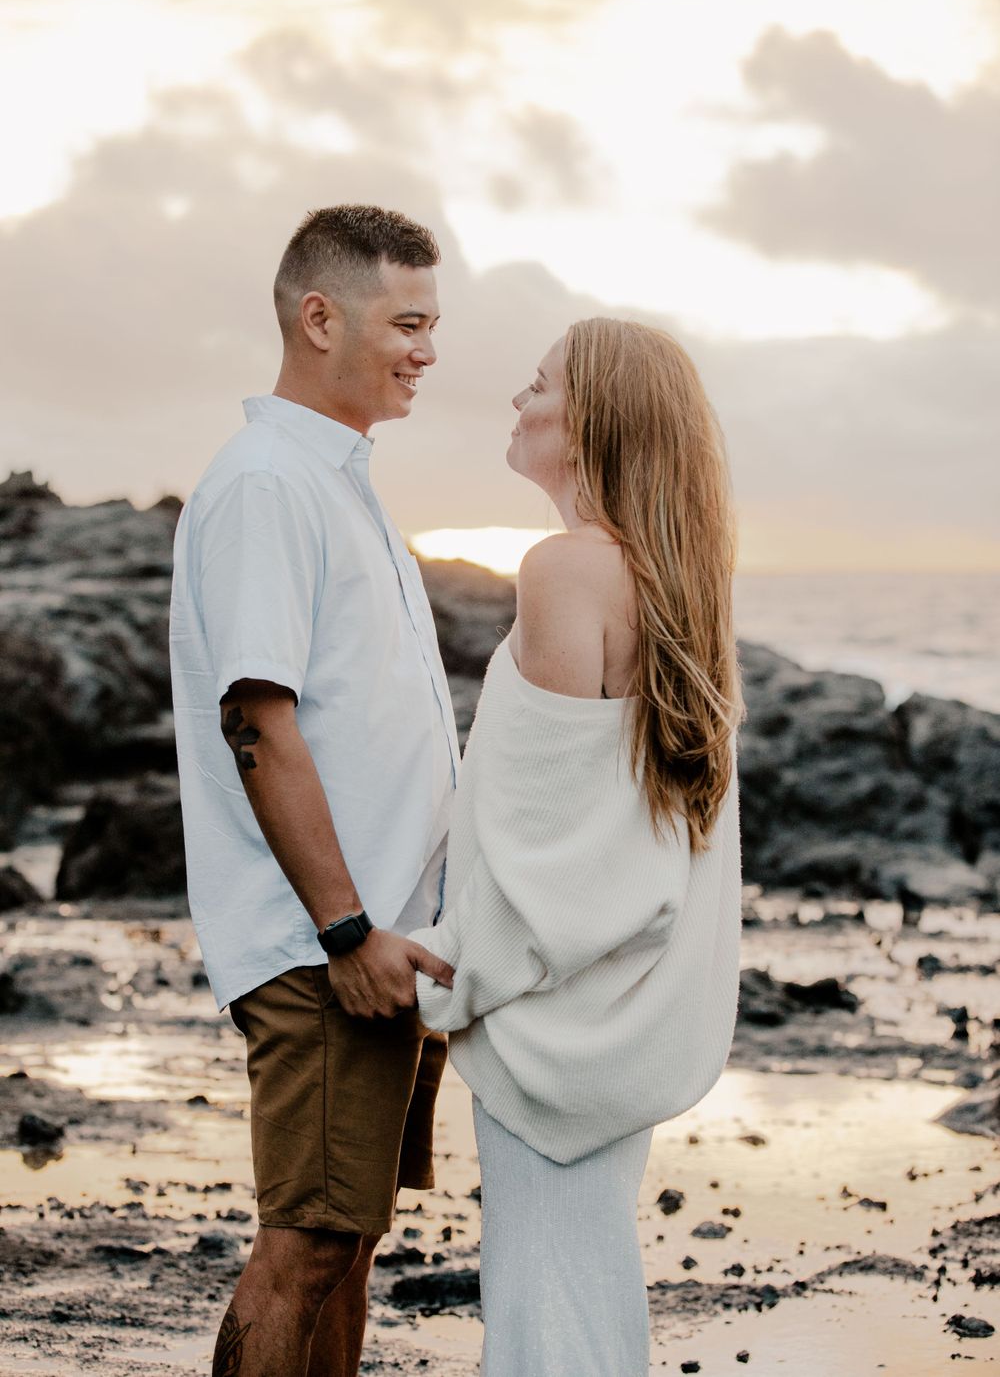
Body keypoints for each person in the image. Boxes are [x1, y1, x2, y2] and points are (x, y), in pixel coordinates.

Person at [411, 317, 744, 1376]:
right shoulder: (673, 579)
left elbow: (542, 842)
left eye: (538, 383)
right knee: (585, 1276)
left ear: (592, 417)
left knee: (543, 1298)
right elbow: (624, 827)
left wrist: (451, 981)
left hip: (553, 1015)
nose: (518, 400)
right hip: (625, 1005)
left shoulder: (564, 569)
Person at [169, 205, 459, 1377]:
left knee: (347, 1242)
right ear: (319, 316)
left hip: (379, 941)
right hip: (325, 946)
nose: (427, 352)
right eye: (409, 322)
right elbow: (258, 716)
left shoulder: (335, 479)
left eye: (432, 325)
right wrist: (344, 929)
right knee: (305, 1244)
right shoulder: (266, 486)